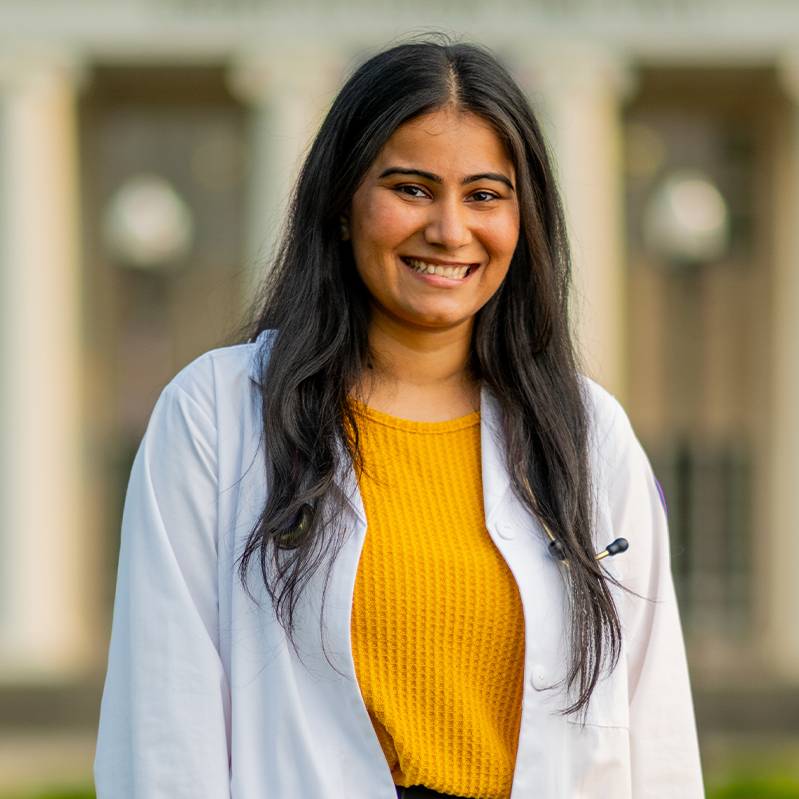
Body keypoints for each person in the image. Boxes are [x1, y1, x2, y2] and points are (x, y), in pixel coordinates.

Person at [94, 37, 705, 798]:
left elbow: (655, 728)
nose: (450, 230)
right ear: (342, 205)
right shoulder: (217, 416)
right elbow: (164, 727)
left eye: (485, 194)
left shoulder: (586, 432)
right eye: (412, 189)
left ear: (524, 220)